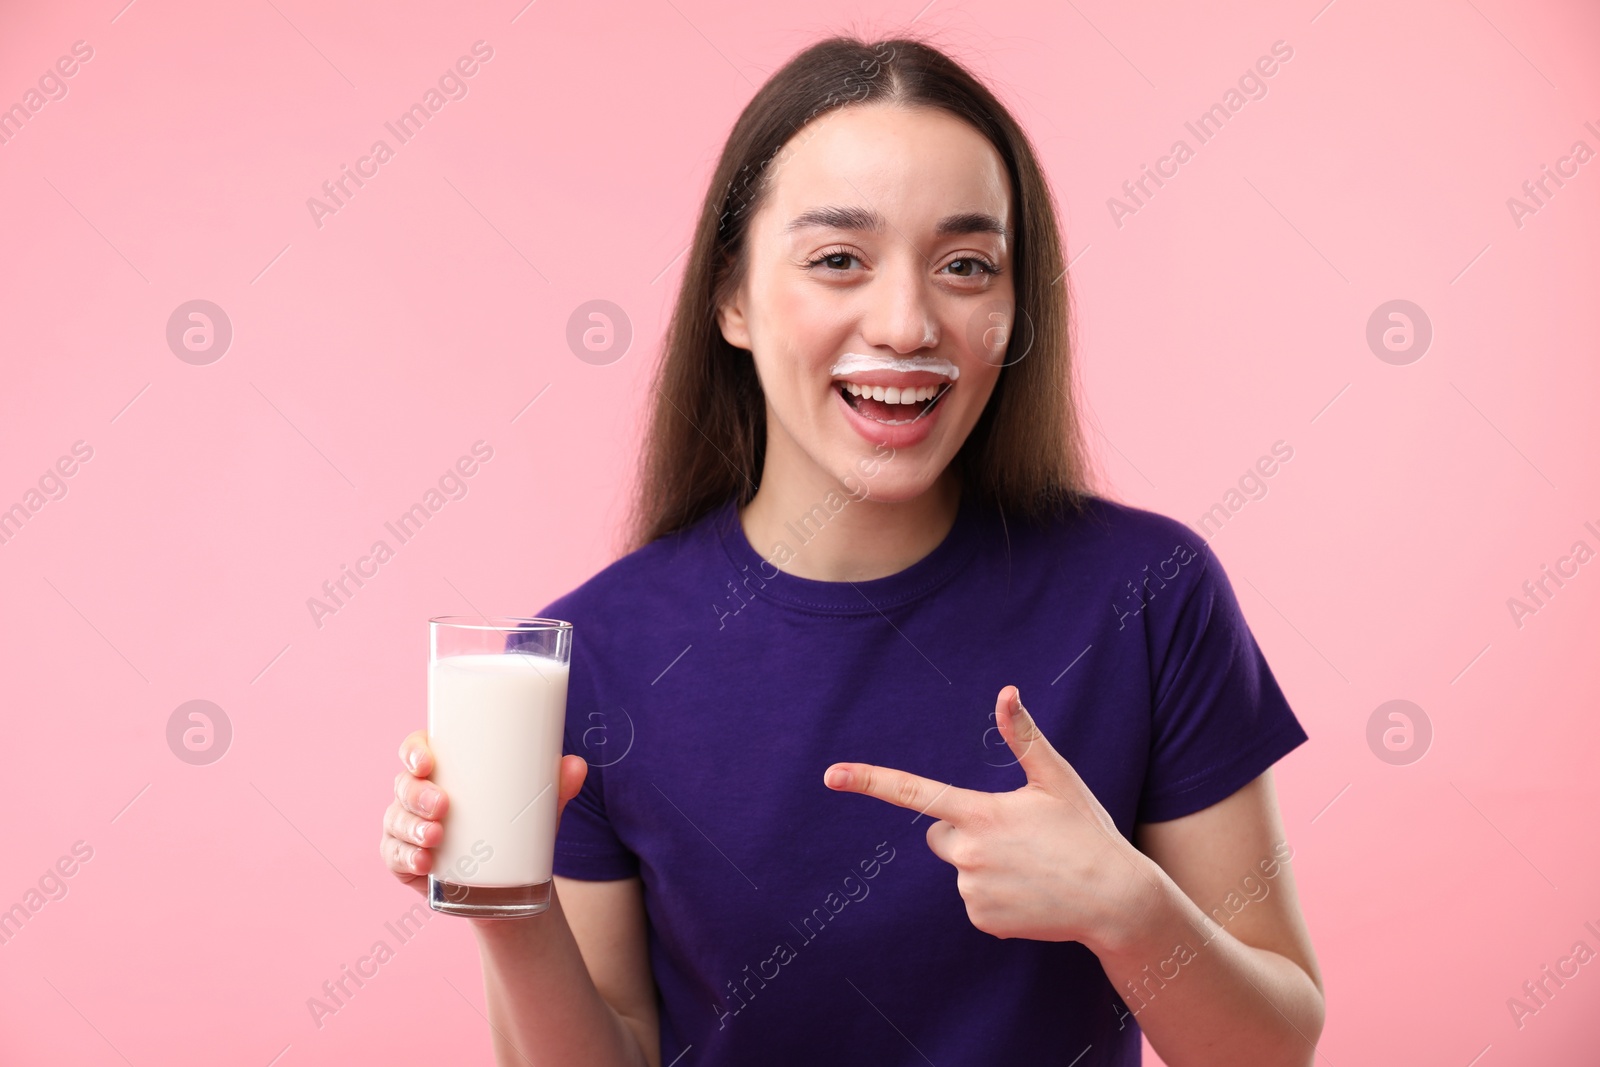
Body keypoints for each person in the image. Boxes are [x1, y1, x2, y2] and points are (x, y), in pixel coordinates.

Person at [381, 34, 1324, 1066]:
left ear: (1014, 313)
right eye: (839, 259)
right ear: (732, 299)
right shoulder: (590, 656)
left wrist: (1131, 910)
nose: (909, 321)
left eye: (966, 265)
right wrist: (506, 901)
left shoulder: (1149, 596)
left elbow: (1270, 1046)